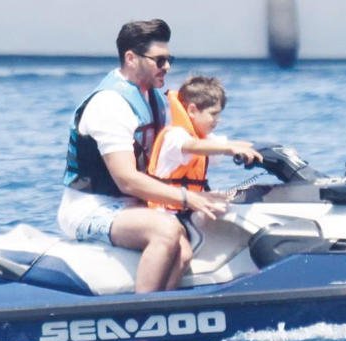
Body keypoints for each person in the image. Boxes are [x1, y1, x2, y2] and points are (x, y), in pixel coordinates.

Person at [57, 19, 227, 293]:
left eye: (169, 59)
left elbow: (171, 154)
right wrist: (187, 198)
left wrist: (207, 190)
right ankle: (142, 312)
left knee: (183, 251)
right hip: (91, 209)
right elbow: (126, 179)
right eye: (159, 60)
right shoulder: (110, 104)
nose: (167, 67)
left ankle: (163, 310)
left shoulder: (153, 99)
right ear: (131, 58)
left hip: (131, 206)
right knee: (165, 230)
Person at [146, 75, 262, 211]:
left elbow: (230, 143)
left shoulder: (201, 138)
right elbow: (193, 146)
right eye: (213, 114)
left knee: (233, 205)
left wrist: (263, 148)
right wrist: (228, 149)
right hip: (166, 211)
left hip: (186, 209)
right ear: (192, 111)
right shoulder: (175, 135)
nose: (218, 120)